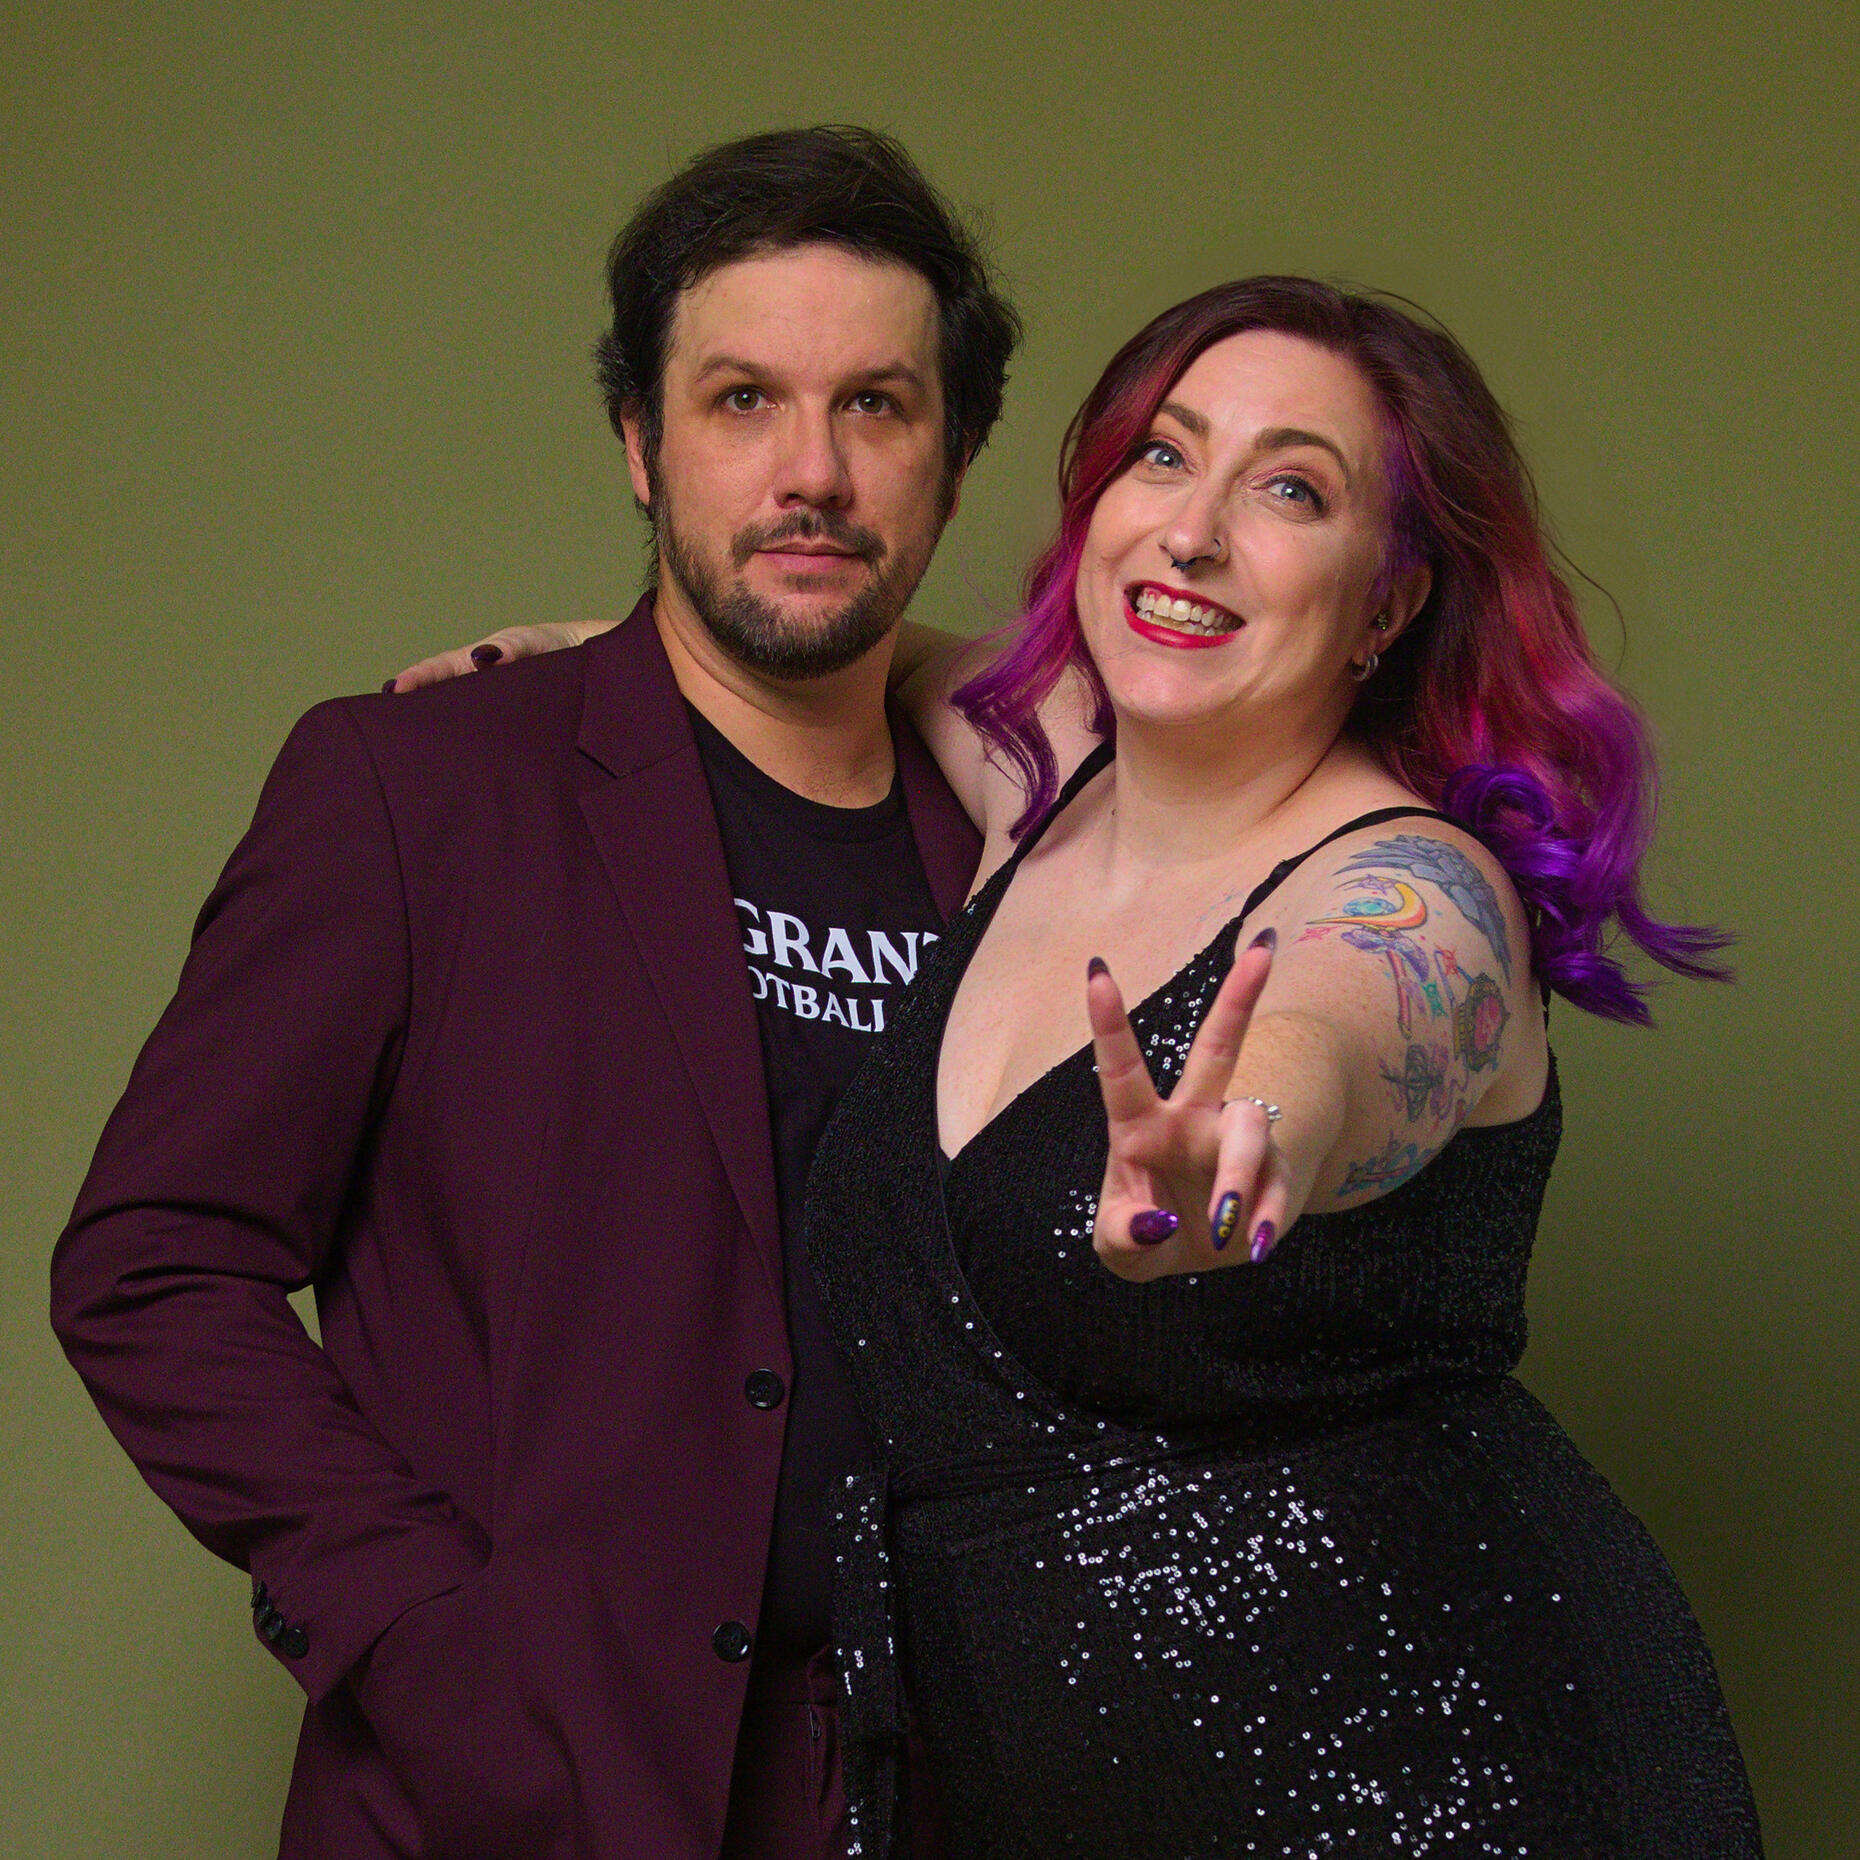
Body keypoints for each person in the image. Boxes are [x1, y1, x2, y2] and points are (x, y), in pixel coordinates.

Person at [436, 279, 1762, 1856]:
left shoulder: (1418, 888)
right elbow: (888, 664)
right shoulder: (1044, 781)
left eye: (1290, 491)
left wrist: (1257, 1132)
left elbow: (1354, 1019)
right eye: (1164, 457)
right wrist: (611, 664)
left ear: (1389, 600)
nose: (1191, 534)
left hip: (1441, 1782)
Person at [50, 126, 1017, 1860]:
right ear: (641, 442)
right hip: (518, 1793)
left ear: (953, 463)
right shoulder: (419, 789)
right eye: (742, 400)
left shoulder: (1029, 851)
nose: (810, 471)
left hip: (936, 1793)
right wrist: (425, 1637)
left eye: (876, 406)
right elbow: (151, 1262)